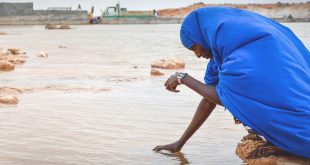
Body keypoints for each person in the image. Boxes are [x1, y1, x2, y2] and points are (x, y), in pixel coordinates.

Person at [153, 7, 310, 158]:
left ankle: (280, 141)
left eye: (195, 47)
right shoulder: (220, 57)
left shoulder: (245, 50)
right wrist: (180, 143)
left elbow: (228, 97)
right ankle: (273, 138)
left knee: (239, 100)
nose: (198, 55)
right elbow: (209, 99)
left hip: (301, 124)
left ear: (203, 36)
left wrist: (183, 78)